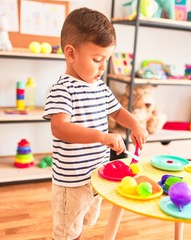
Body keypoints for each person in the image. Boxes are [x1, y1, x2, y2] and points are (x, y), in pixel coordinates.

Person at [43, 7, 148, 240]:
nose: (103, 67)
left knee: (85, 219)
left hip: (96, 174)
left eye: (106, 60)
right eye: (97, 59)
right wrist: (102, 137)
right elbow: (60, 128)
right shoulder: (62, 90)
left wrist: (135, 125)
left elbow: (117, 111)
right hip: (71, 181)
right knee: (68, 230)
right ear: (71, 53)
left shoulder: (100, 86)